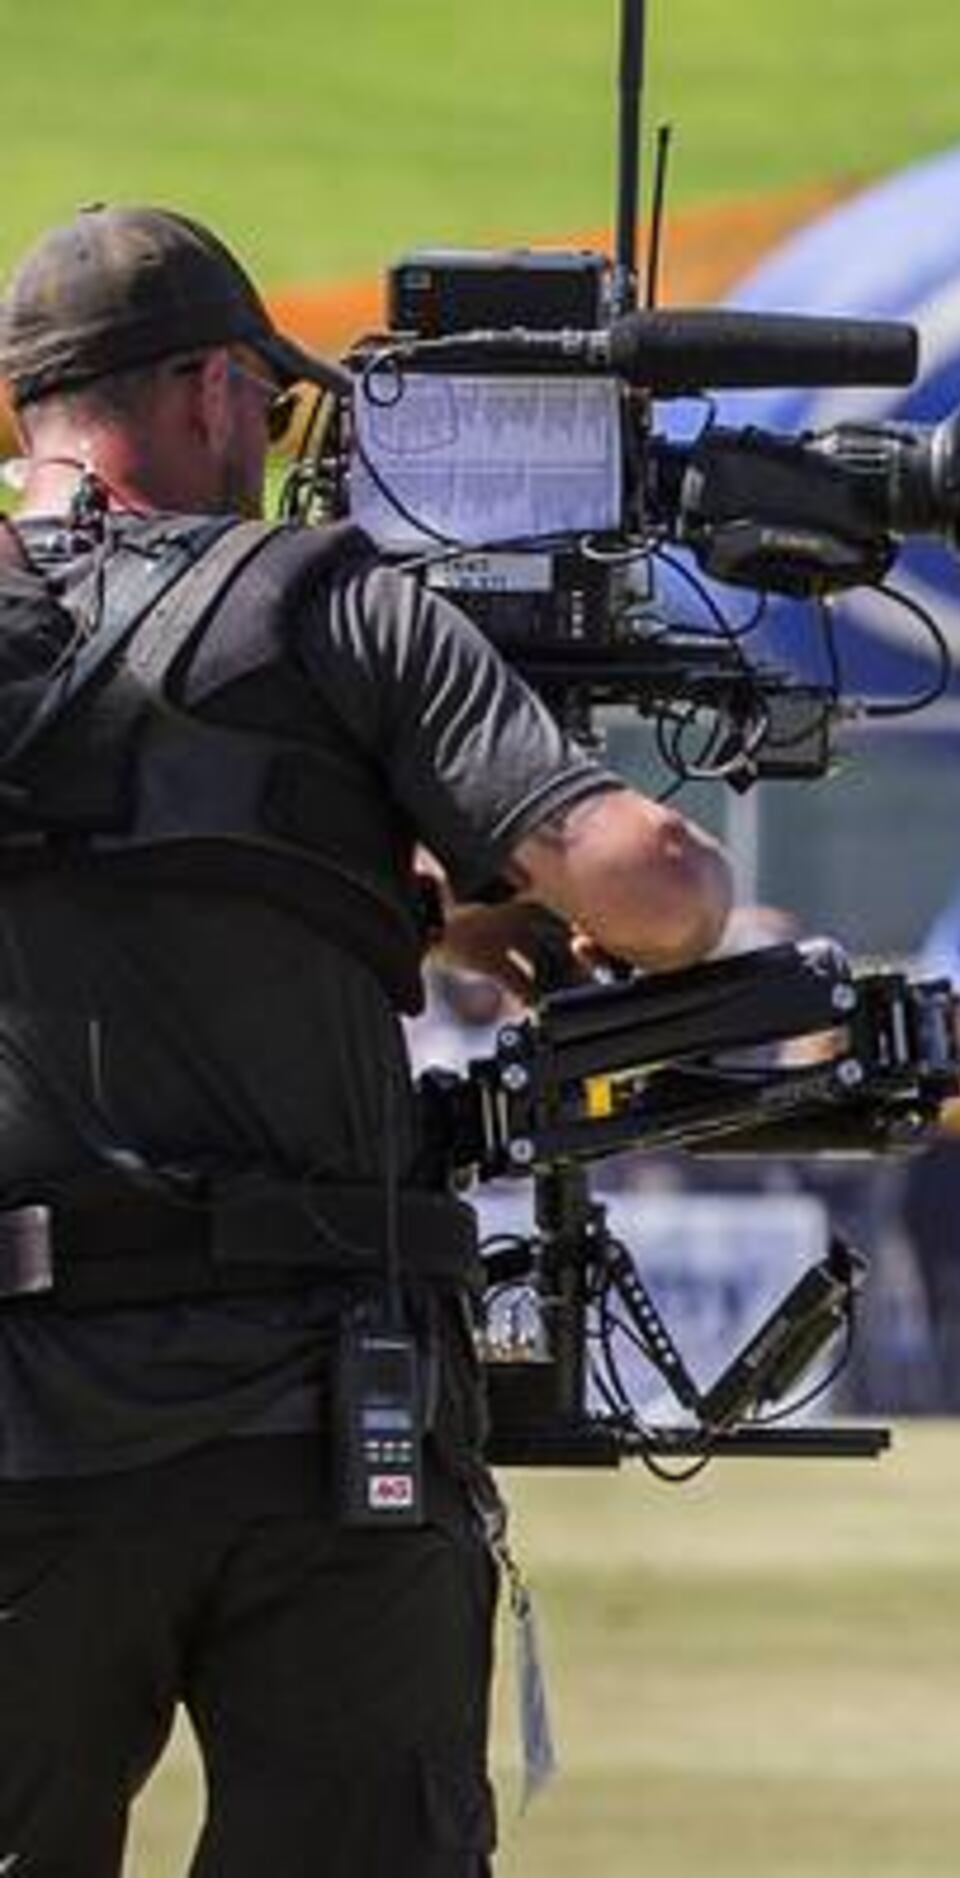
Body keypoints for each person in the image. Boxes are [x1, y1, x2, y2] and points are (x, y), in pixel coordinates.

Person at [0, 206, 732, 1875]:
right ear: (200, 388)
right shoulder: (330, 597)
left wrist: (370, 903)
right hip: (320, 1432)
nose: (270, 438)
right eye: (262, 399)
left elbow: (115, 859)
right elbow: (655, 889)